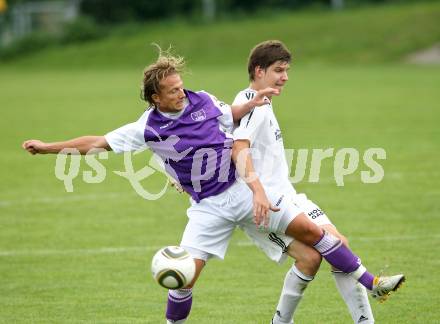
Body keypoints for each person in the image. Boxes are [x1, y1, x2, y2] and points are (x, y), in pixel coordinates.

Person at [22, 47, 404, 323]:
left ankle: (370, 282)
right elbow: (96, 143)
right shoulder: (147, 128)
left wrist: (255, 101)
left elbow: (230, 114)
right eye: (173, 90)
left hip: (240, 189)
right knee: (184, 275)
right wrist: (49, 148)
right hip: (206, 209)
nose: (182, 92)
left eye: (182, 85)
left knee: (313, 233)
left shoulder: (201, 99)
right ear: (156, 97)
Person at [231, 40, 403, 324]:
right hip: (266, 206)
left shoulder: (259, 101)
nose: (285, 77)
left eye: (287, 70)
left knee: (332, 248)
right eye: (278, 70)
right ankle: (372, 283)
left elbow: (222, 139)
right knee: (319, 252)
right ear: (258, 71)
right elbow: (238, 147)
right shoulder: (251, 103)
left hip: (287, 194)